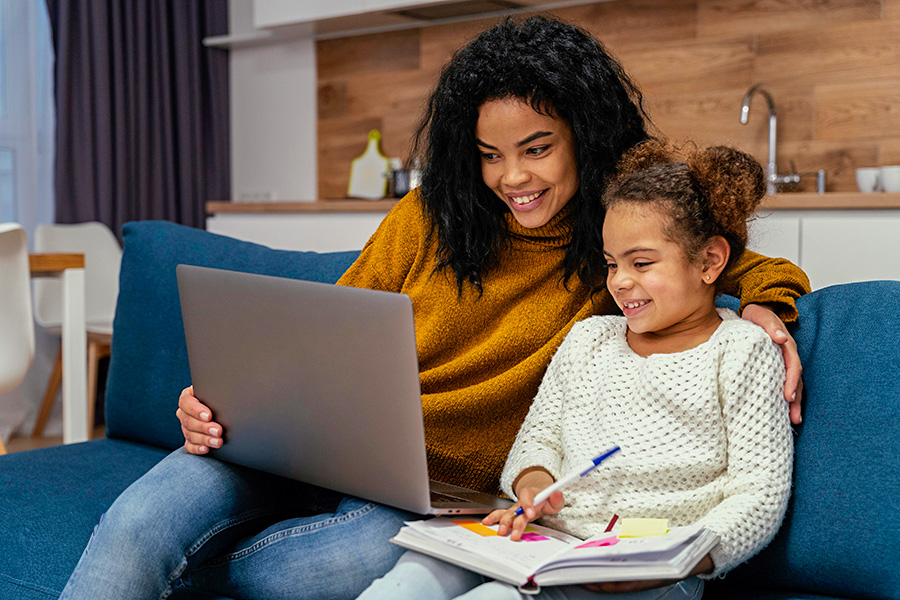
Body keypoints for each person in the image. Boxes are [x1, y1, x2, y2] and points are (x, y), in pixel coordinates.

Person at [60, 16, 808, 600]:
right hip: (304, 441)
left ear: (586, 135)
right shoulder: (428, 216)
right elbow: (321, 333)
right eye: (489, 155)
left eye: (538, 148)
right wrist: (219, 402)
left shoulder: (614, 245)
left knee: (304, 579)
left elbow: (737, 258)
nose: (512, 177)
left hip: (429, 494)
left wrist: (769, 308)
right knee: (133, 523)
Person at [355, 142, 794, 600]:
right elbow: (537, 440)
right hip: (551, 541)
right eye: (611, 263)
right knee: (417, 572)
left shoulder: (742, 350)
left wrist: (673, 558)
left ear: (709, 262)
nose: (620, 280)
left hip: (653, 565)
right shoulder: (590, 339)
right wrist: (533, 486)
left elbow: (758, 497)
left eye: (641, 263)